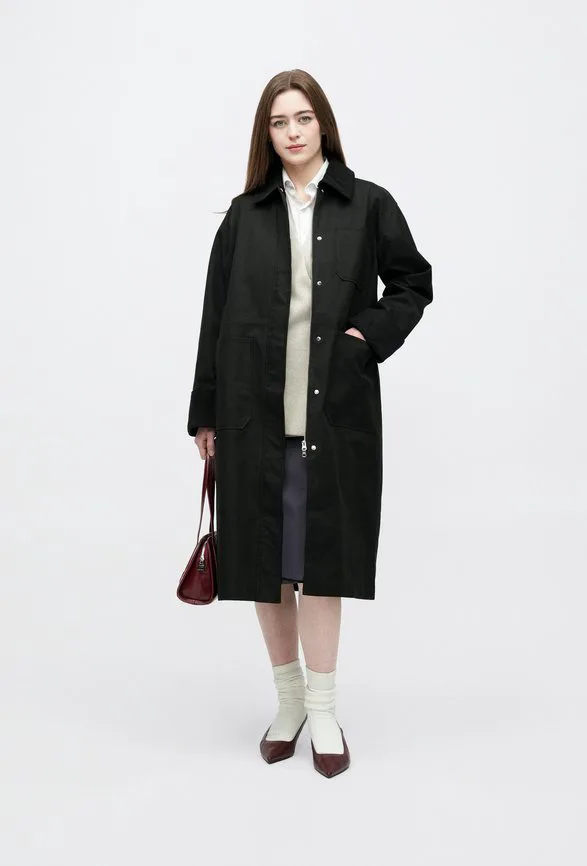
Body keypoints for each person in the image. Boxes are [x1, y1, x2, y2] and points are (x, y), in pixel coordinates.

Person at [187, 69, 433, 777]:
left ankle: (323, 707)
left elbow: (413, 283)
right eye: (278, 122)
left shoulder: (369, 204)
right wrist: (205, 412)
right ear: (265, 135)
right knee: (265, 568)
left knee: (322, 564)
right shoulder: (244, 217)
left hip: (332, 413)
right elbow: (213, 318)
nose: (292, 132)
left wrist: (366, 336)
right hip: (252, 415)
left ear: (322, 123)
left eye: (302, 118)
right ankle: (289, 700)